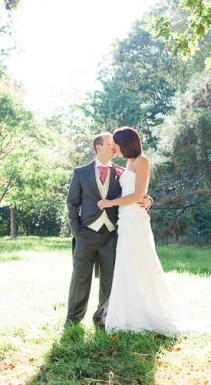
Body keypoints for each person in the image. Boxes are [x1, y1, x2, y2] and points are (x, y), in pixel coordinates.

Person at [99, 126, 211, 336]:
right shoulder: (128, 162)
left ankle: (147, 313)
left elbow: (138, 195)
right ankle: (129, 313)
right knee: (127, 264)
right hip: (125, 218)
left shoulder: (142, 161)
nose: (114, 149)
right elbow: (131, 191)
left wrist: (110, 203)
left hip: (135, 219)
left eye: (116, 145)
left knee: (141, 263)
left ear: (126, 143)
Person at [65, 132, 151, 329]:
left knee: (110, 280)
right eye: (110, 144)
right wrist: (77, 230)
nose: (114, 147)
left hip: (112, 235)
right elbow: (72, 203)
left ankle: (102, 319)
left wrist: (149, 200)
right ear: (99, 147)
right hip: (86, 234)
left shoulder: (122, 172)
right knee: (80, 278)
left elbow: (135, 193)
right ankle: (72, 320)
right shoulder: (81, 173)